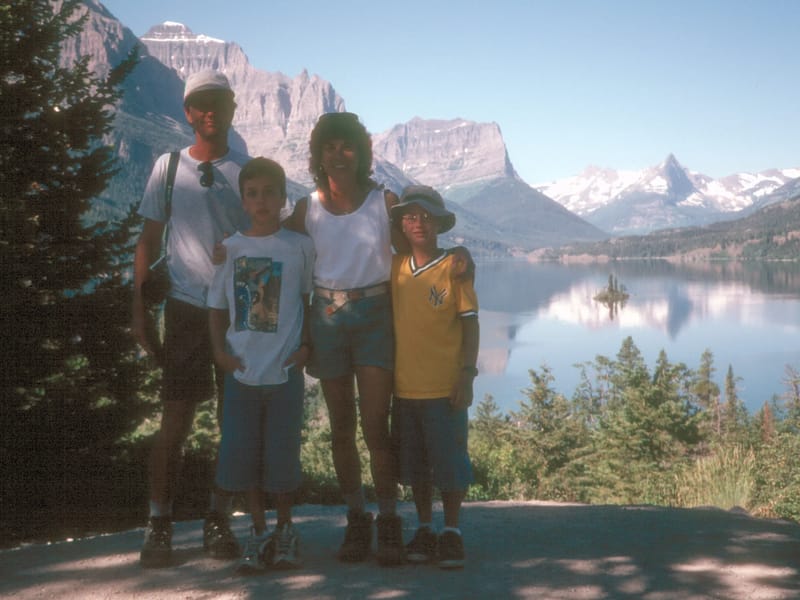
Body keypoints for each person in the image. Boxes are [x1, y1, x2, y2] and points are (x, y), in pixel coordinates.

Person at [132, 70, 248, 568]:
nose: (210, 111)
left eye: (218, 101)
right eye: (200, 103)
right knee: (175, 419)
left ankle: (217, 517)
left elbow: (264, 243)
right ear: (188, 112)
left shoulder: (248, 173)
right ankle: (159, 522)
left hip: (236, 312)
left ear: (232, 108)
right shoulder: (168, 166)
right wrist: (140, 310)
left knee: (232, 422)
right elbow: (147, 241)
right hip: (182, 309)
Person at [282, 112, 406, 566]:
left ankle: (389, 517)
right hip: (327, 317)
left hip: (376, 315)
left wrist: (459, 258)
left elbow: (416, 247)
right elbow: (280, 254)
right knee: (340, 428)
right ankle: (357, 518)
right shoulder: (305, 208)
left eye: (346, 146)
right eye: (329, 146)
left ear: (361, 153)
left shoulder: (383, 201)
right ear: (318, 155)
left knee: (376, 425)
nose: (338, 154)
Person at [207, 157, 315, 573]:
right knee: (245, 455)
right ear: (243, 200)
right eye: (253, 193)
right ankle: (258, 531)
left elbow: (307, 302)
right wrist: (220, 352)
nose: (262, 200)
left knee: (282, 456)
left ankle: (286, 529)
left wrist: (306, 347)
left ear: (283, 196)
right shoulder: (231, 248)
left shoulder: (299, 246)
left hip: (285, 373)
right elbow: (216, 307)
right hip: (243, 374)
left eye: (270, 192)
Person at [389, 185, 479, 570]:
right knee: (416, 466)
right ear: (402, 225)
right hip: (405, 388)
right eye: (410, 216)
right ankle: (425, 527)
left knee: (449, 463)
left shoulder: (453, 267)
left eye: (426, 215)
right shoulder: (394, 268)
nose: (418, 222)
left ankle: (452, 531)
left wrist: (468, 374)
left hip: (445, 388)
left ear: (440, 222)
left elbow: (471, 326)